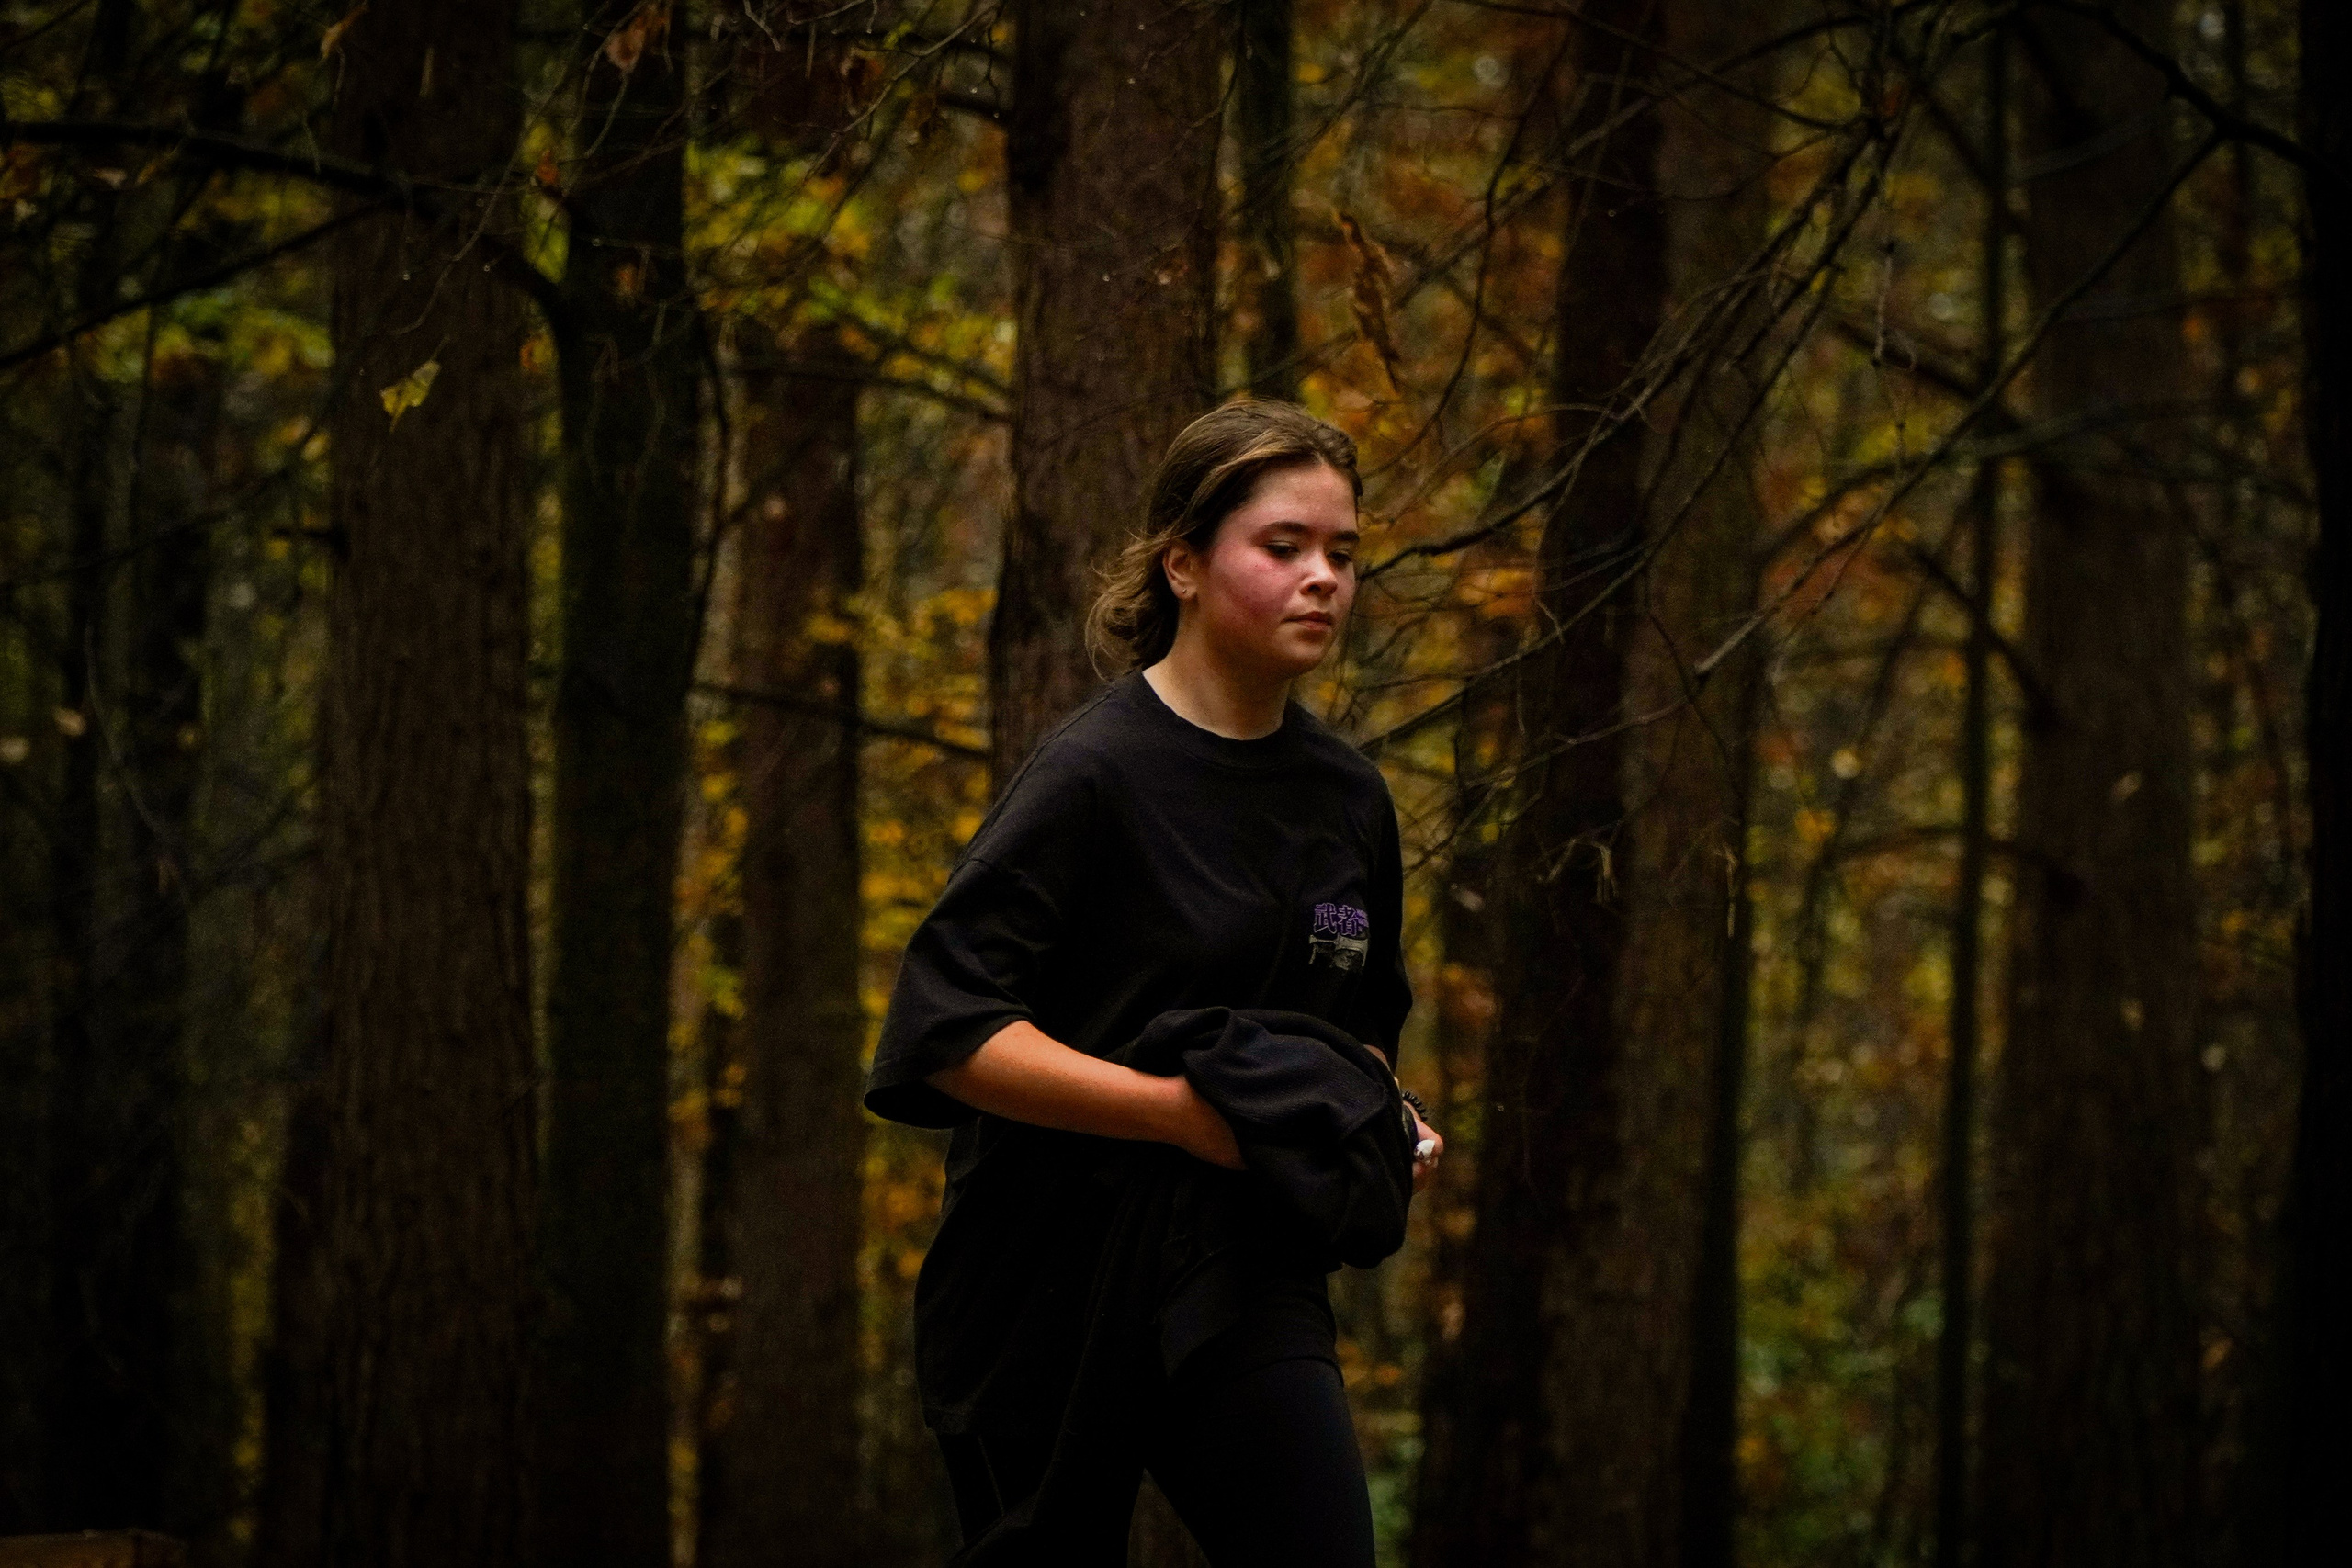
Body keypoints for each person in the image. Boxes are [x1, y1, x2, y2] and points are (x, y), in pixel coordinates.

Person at [863, 397, 1443, 1566]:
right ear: (1183, 563)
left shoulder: (1347, 799)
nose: (1322, 578)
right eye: (1282, 547)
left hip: (1247, 1261)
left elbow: (1356, 1030)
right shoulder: (1092, 775)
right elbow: (949, 1032)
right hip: (1045, 1280)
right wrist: (1182, 1120)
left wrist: (1376, 1112)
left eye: (1342, 553)